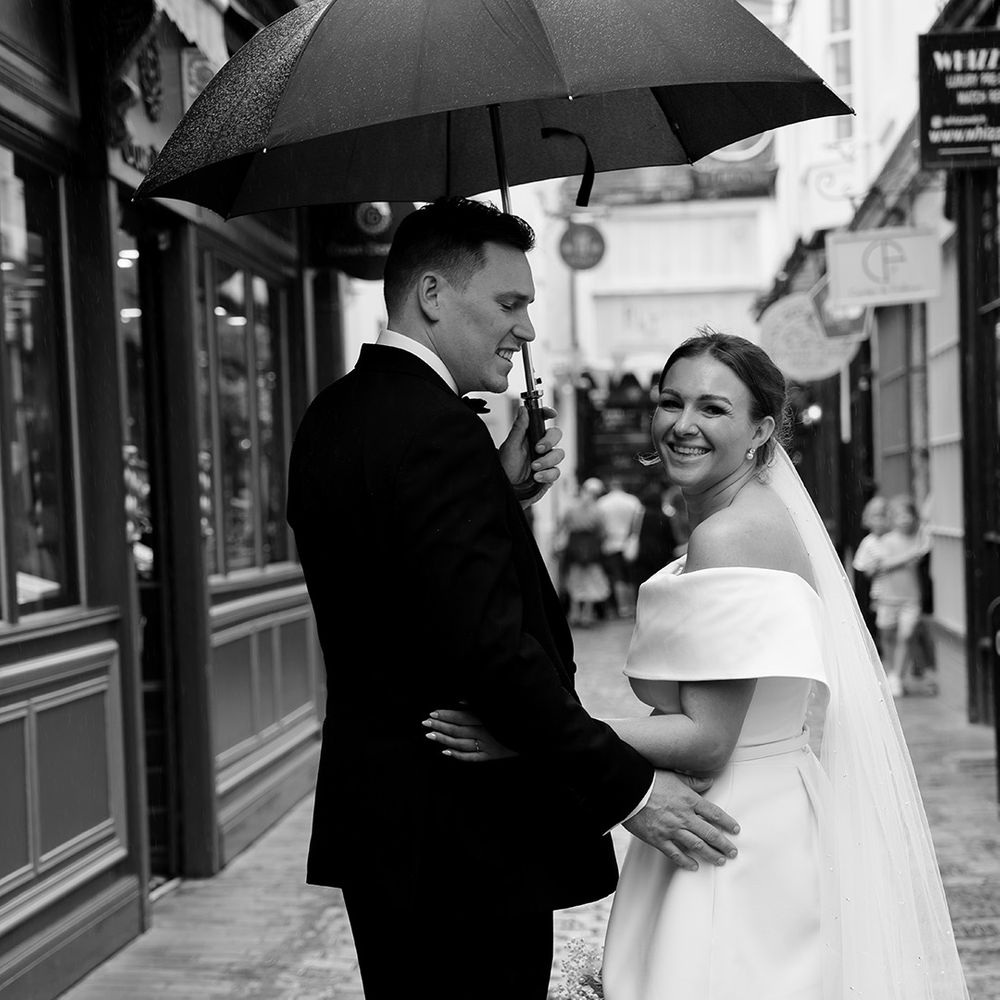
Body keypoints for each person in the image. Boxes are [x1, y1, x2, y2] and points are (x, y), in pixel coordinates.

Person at [427, 330, 969, 999]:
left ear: (760, 430)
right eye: (671, 402)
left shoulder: (732, 534)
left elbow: (707, 740)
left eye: (713, 409)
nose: (683, 424)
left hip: (728, 824)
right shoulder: (742, 519)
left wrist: (528, 734)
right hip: (747, 810)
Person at [285, 201, 740, 1000]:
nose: (526, 329)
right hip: (460, 829)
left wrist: (498, 492)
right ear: (431, 295)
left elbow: (399, 583)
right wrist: (627, 790)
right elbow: (490, 650)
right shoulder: (434, 432)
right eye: (509, 303)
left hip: (384, 816)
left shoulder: (336, 413)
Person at [853, 493, 931, 697]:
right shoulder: (879, 542)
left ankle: (896, 676)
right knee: (887, 635)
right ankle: (893, 674)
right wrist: (906, 558)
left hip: (909, 597)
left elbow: (923, 543)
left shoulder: (910, 536)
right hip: (885, 597)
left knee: (906, 635)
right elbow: (871, 569)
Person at [558, 477, 612, 626]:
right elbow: (602, 532)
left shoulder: (571, 509)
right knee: (591, 581)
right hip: (591, 549)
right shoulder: (597, 511)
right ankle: (586, 615)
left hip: (574, 547)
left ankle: (574, 613)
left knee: (574, 580)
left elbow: (563, 526)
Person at [596, 477, 644, 616]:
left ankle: (622, 607)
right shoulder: (632, 500)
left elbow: (600, 526)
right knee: (630, 576)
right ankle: (632, 605)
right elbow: (638, 522)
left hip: (610, 543)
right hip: (629, 543)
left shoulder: (603, 502)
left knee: (617, 577)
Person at [626, 483, 678, 590]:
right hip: (661, 554)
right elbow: (670, 537)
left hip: (642, 553)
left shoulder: (640, 517)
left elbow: (632, 531)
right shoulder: (664, 518)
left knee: (642, 582)